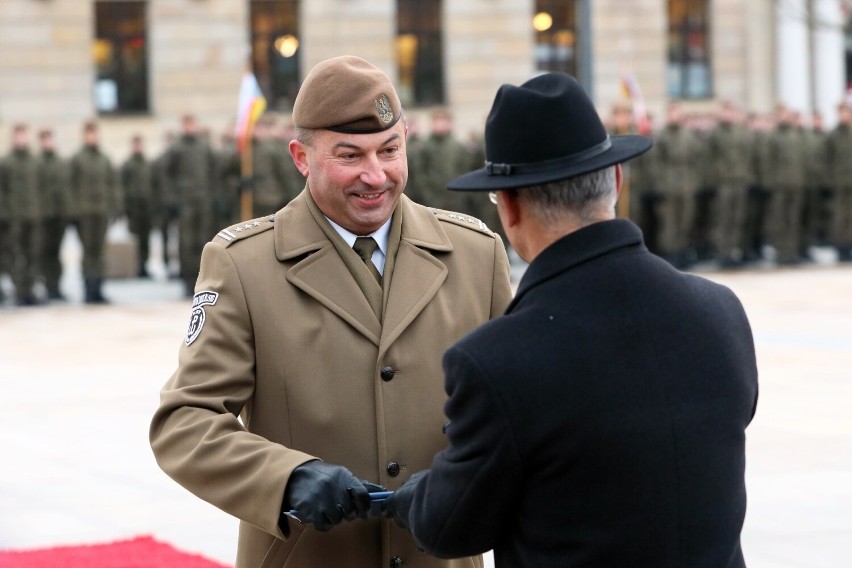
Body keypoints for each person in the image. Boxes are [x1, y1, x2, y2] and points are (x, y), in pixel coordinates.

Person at [383, 72, 759, 567]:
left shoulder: (498, 361)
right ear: (617, 181)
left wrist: (418, 496)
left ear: (510, 207)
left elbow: (452, 526)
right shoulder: (720, 311)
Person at [149, 55, 513, 568]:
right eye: (349, 156)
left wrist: (466, 476)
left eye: (390, 149)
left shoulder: (475, 254)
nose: (376, 174)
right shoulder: (243, 266)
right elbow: (184, 422)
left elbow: (521, 415)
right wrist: (286, 478)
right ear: (301, 156)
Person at [163, 113, 218, 296]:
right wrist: (172, 199)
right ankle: (187, 280)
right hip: (185, 201)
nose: (190, 127)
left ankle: (203, 278)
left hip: (203, 200)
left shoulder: (204, 147)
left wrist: (212, 194)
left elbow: (213, 170)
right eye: (187, 124)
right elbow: (167, 175)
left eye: (192, 123)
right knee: (186, 242)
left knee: (203, 241)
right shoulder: (176, 148)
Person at [68, 120, 120, 304]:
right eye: (89, 133)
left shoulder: (104, 159)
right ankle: (88, 288)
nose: (92, 137)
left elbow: (112, 185)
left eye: (95, 133)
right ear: (84, 136)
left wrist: (115, 208)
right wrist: (73, 213)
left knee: (99, 251)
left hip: (101, 211)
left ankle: (98, 288)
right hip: (84, 213)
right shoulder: (77, 159)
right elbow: (71, 187)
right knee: (88, 251)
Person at [0, 123, 42, 306]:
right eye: (18, 136)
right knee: (15, 255)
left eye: (24, 136)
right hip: (14, 217)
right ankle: (19, 290)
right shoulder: (6, 162)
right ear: (13, 138)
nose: (21, 139)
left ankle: (30, 290)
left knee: (32, 253)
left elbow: (42, 189)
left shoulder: (34, 161)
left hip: (33, 215)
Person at [36, 127, 70, 300]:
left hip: (59, 215)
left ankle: (56, 286)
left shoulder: (61, 163)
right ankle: (47, 286)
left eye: (51, 139)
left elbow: (67, 189)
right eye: (46, 139)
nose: (49, 143)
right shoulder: (36, 163)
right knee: (44, 252)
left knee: (57, 253)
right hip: (42, 216)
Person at [121, 134, 153, 278]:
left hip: (147, 207)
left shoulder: (147, 164)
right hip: (133, 208)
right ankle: (136, 265)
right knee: (135, 239)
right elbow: (122, 186)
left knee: (146, 238)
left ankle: (144, 265)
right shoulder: (128, 165)